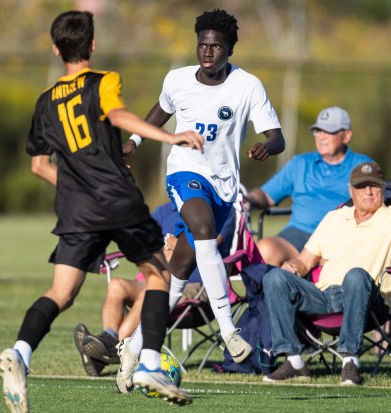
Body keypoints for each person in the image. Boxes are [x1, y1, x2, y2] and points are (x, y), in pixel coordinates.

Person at [0, 11, 202, 412]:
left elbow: (39, 165)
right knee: (158, 274)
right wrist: (170, 134)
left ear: (56, 50)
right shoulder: (103, 81)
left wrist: (76, 186)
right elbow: (119, 115)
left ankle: (20, 352)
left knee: (61, 292)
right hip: (116, 199)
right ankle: (147, 365)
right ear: (92, 45)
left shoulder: (44, 102)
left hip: (77, 209)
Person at [118, 8, 285, 392]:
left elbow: (277, 136)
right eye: (203, 44)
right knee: (202, 227)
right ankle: (229, 331)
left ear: (229, 49)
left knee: (178, 274)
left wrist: (267, 147)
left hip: (225, 186)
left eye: (216, 46)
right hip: (185, 172)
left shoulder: (248, 86)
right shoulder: (177, 80)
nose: (207, 52)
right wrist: (134, 142)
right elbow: (159, 113)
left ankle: (135, 347)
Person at [262, 162, 391, 385]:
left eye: (374, 186)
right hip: (324, 297)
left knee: (356, 276)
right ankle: (294, 361)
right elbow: (304, 260)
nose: (368, 192)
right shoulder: (335, 218)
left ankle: (350, 362)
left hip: (369, 300)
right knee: (274, 278)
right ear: (352, 190)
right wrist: (292, 266)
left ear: (383, 188)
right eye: (362, 186)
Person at [74, 203, 236, 376]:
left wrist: (175, 248)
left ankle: (110, 350)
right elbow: (144, 243)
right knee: (117, 285)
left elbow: (209, 244)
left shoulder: (220, 206)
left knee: (151, 294)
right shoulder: (162, 211)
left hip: (197, 288)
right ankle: (108, 341)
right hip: (160, 280)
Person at [246, 106, 373, 266]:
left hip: (341, 237)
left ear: (346, 136)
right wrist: (245, 200)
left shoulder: (363, 166)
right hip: (297, 235)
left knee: (339, 261)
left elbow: (376, 204)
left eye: (329, 131)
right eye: (318, 131)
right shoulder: (300, 163)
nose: (321, 137)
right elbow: (265, 195)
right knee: (265, 249)